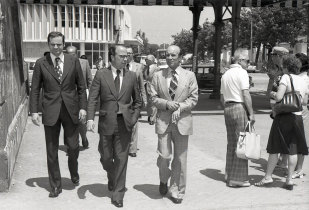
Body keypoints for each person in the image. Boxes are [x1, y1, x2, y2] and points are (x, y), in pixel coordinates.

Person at [30, 31, 87, 198]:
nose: (56, 47)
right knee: (51, 149)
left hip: (71, 110)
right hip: (50, 110)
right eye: (53, 44)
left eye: (59, 44)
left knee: (73, 147)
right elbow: (34, 90)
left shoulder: (73, 61)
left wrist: (83, 107)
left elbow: (82, 87)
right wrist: (34, 111)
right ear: (48, 45)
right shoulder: (41, 63)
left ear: (63, 44)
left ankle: (73, 172)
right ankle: (55, 185)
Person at [87, 45, 141, 208]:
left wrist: (133, 118)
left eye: (127, 56)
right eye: (122, 56)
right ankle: (111, 173)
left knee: (122, 158)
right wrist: (90, 118)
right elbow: (93, 99)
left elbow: (138, 101)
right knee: (105, 156)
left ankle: (118, 194)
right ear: (112, 56)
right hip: (106, 122)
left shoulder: (132, 76)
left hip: (125, 124)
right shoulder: (101, 74)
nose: (125, 59)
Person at [149, 45, 198, 204]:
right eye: (167, 55)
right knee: (164, 156)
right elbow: (153, 97)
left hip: (182, 122)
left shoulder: (189, 75)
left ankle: (177, 191)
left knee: (180, 159)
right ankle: (164, 179)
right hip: (163, 120)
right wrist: (166, 104)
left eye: (173, 55)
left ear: (180, 57)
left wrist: (181, 107)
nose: (169, 58)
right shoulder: (157, 76)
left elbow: (193, 98)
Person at [255, 55, 308, 190]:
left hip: (284, 116)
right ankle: (289, 179)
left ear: (286, 67)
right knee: (293, 149)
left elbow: (278, 97)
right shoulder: (303, 80)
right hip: (297, 117)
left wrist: (273, 94)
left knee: (275, 148)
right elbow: (304, 102)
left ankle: (268, 177)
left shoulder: (286, 77)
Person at [220, 48, 255, 187]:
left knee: (232, 143)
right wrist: (251, 112)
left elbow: (222, 97)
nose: (248, 63)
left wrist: (227, 108)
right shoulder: (242, 73)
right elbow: (245, 94)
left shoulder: (225, 74)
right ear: (240, 60)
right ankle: (238, 178)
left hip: (228, 107)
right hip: (239, 107)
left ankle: (229, 173)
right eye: (247, 60)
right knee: (242, 142)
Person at [66, 45, 93, 149]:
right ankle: (72, 145)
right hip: (68, 96)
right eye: (68, 55)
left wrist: (90, 95)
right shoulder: (62, 64)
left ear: (76, 54)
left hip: (82, 95)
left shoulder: (84, 63)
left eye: (72, 55)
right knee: (69, 121)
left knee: (82, 121)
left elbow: (89, 79)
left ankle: (84, 137)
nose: (70, 57)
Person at [126, 47, 147, 157]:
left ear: (133, 54)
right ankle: (124, 146)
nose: (128, 55)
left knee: (134, 124)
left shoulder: (138, 67)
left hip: (134, 100)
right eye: (126, 53)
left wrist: (144, 98)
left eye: (130, 53)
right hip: (122, 100)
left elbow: (141, 85)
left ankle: (132, 149)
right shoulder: (119, 66)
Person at [291, 53, 309, 179]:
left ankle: (296, 169)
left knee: (296, 141)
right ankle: (298, 169)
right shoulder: (305, 78)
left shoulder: (298, 78)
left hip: (296, 111)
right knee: (301, 140)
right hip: (302, 111)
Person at [144, 54, 160, 125]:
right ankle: (149, 115)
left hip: (153, 87)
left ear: (151, 60)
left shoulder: (157, 68)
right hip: (146, 87)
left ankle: (152, 118)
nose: (145, 61)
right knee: (148, 103)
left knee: (153, 103)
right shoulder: (145, 68)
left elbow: (154, 78)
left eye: (146, 59)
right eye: (145, 59)